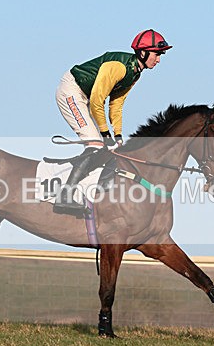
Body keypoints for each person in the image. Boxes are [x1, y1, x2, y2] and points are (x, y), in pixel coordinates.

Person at [53, 29, 172, 215]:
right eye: (157, 54)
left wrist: (117, 134)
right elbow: (97, 101)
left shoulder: (135, 72)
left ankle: (88, 190)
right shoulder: (119, 67)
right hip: (72, 91)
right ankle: (65, 196)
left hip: (87, 96)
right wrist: (105, 133)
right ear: (143, 52)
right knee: (95, 142)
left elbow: (116, 103)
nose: (158, 60)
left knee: (107, 147)